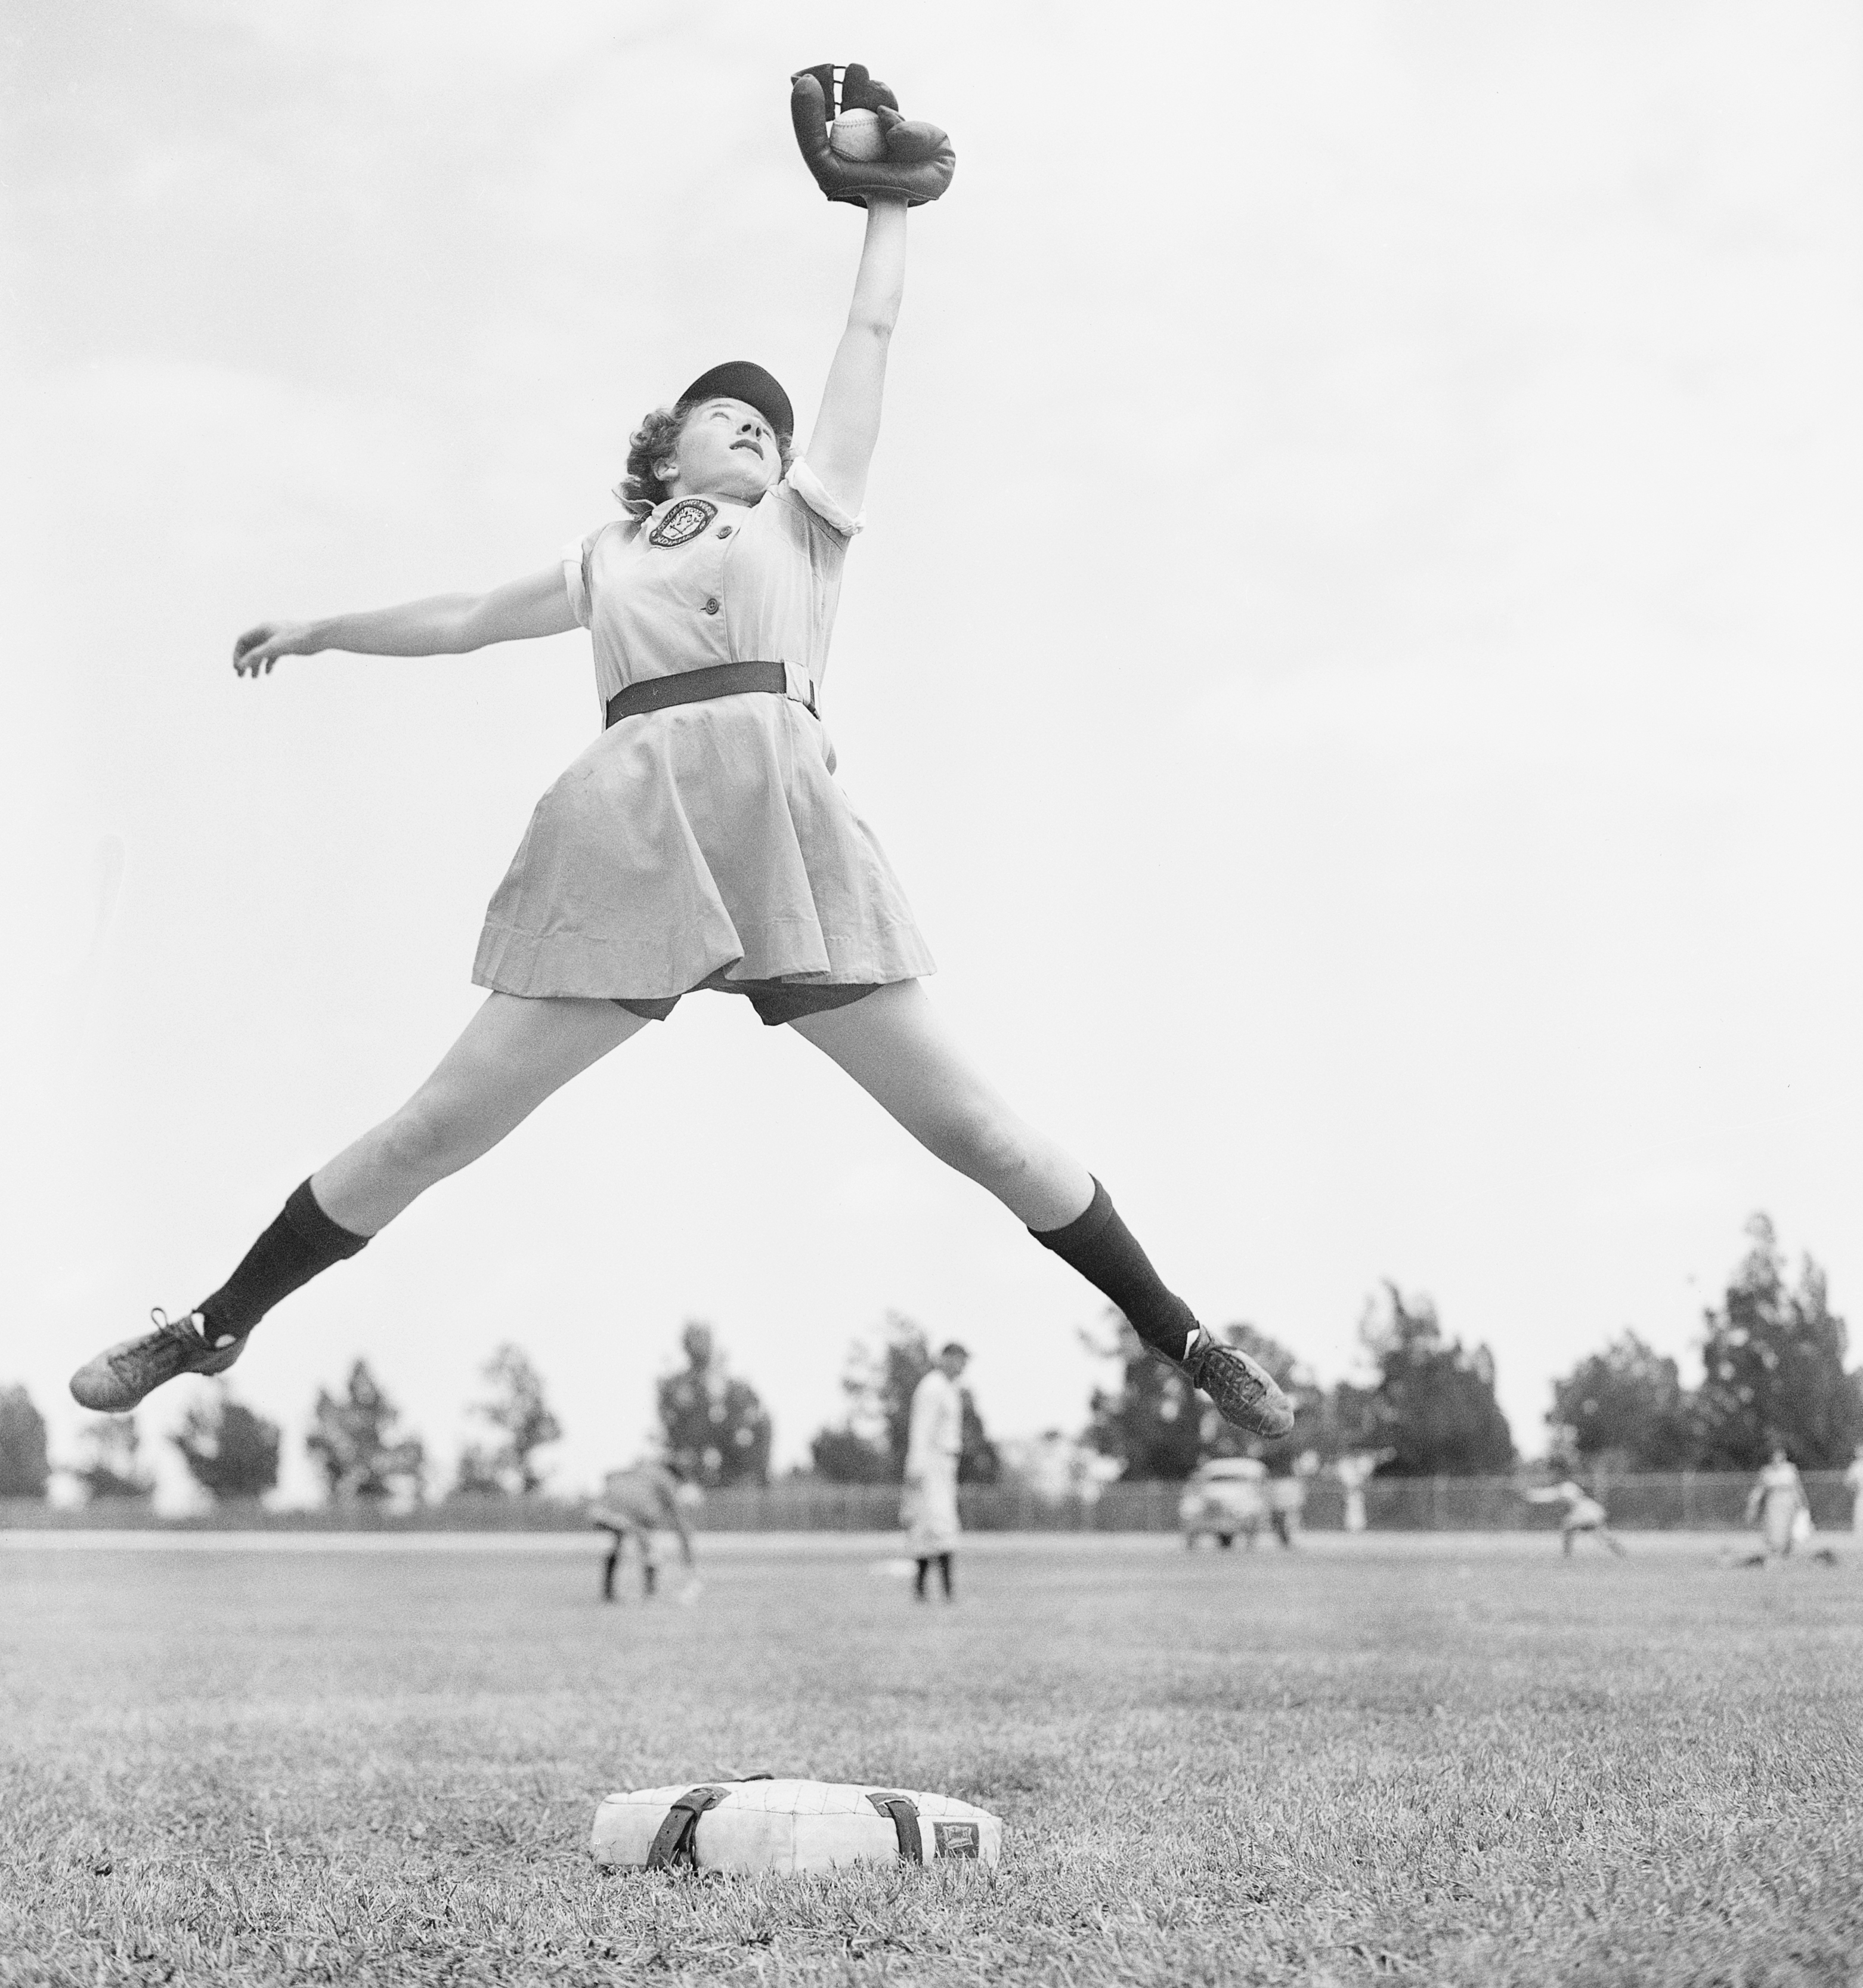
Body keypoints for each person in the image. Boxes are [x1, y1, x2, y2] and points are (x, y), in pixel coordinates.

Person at [66, 64, 1293, 1460]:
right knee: (436, 1128)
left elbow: (873, 327)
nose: (760, 429)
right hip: (626, 838)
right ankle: (216, 1320)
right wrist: (328, 629)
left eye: (771, 425)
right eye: (732, 415)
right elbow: (469, 619)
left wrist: (884, 201)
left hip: (783, 835)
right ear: (671, 445)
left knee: (981, 1134)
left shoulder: (808, 523)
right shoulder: (608, 558)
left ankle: (1181, 1334)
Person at [903, 1341, 968, 1600]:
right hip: (931, 1462)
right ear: (947, 1359)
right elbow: (921, 1429)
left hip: (944, 1462)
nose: (963, 1367)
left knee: (933, 1525)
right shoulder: (933, 1387)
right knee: (937, 1523)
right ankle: (944, 1591)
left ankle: (927, 1590)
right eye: (960, 1360)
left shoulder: (948, 1389)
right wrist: (916, 1465)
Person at [591, 1457, 700, 1603]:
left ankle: (609, 1593)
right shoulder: (666, 1479)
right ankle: (650, 1593)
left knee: (619, 1543)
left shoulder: (642, 1470)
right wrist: (689, 1557)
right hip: (632, 1515)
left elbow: (611, 1477)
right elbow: (678, 1520)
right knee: (649, 1549)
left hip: (600, 1510)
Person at [1523, 1479, 1626, 1557]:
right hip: (1590, 1511)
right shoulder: (1567, 1487)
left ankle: (1567, 1556)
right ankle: (1622, 1554)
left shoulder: (1567, 1487)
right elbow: (1551, 1494)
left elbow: (1552, 1496)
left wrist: (1532, 1495)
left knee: (1568, 1527)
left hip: (1585, 1512)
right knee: (1603, 1536)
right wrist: (1533, 1495)